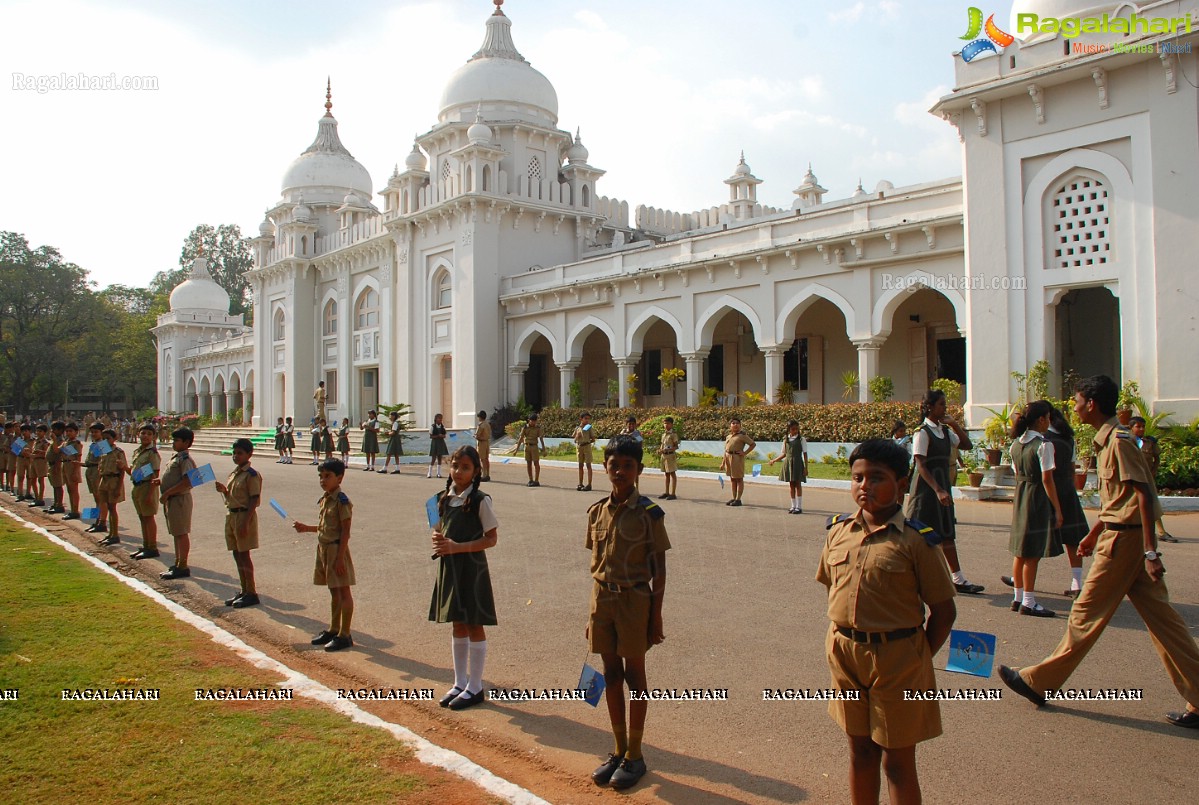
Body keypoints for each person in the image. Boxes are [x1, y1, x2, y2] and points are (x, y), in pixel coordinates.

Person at [999, 375, 1199, 729]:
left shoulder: (1119, 441)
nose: (1073, 408)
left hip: (1126, 543)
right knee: (1165, 625)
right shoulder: (1108, 440)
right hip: (1121, 536)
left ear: (1091, 403)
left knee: (1084, 615)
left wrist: (1151, 553)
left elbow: (1143, 496)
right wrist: (1094, 533)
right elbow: (1118, 501)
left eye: (1076, 401)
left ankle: (1038, 681)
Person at [817, 438, 956, 805]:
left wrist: (916, 654)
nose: (865, 486)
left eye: (876, 478)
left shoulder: (916, 542)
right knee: (860, 751)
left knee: (897, 761)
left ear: (902, 483)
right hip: (846, 654)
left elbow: (943, 611)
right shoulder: (837, 532)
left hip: (898, 659)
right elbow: (833, 587)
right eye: (857, 478)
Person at [586, 436, 670, 790]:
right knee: (610, 674)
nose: (619, 471)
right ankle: (618, 748)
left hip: (636, 601)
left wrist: (656, 614)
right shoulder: (596, 511)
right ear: (605, 467)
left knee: (635, 677)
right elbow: (596, 561)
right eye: (614, 465)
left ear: (639, 470)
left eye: (627, 466)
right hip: (602, 599)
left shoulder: (650, 513)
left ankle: (636, 754)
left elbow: (659, 568)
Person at [429, 445, 498, 710]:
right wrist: (437, 538)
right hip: (450, 568)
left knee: (474, 624)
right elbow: (436, 528)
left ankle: (476, 686)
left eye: (465, 467)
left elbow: (491, 539)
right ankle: (460, 682)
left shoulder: (480, 500)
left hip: (472, 567)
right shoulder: (440, 499)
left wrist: (458, 547)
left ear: (476, 471)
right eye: (455, 466)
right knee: (457, 623)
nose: (458, 472)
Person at [905, 389, 984, 594]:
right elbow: (920, 464)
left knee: (947, 533)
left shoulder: (945, 431)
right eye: (941, 404)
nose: (945, 407)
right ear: (929, 407)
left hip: (942, 484)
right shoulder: (922, 432)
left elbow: (966, 445)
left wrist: (954, 424)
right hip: (926, 488)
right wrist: (938, 490)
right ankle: (909, 576)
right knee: (920, 535)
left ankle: (958, 578)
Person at [1007, 401, 1064, 618]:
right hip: (1036, 497)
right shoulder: (1044, 444)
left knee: (1020, 551)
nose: (1049, 421)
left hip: (1021, 495)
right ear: (1041, 420)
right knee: (1032, 553)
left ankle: (1017, 597)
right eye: (1048, 417)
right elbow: (1047, 479)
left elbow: (1016, 473)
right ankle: (1029, 601)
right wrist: (1057, 509)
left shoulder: (1016, 445)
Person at [293, 458, 356, 652]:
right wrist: (307, 528)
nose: (323, 480)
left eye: (327, 476)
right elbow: (325, 527)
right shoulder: (326, 498)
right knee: (333, 591)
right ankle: (334, 629)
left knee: (343, 591)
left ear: (340, 477)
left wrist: (339, 558)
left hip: (337, 550)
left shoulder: (341, 501)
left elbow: (345, 531)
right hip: (325, 549)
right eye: (320, 476)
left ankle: (345, 634)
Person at [214, 438, 262, 608]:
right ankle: (244, 589)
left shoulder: (251, 475)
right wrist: (224, 491)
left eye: (240, 453)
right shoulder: (235, 473)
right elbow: (234, 498)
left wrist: (245, 523)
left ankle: (251, 592)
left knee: (244, 555)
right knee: (236, 553)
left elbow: (254, 500)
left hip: (244, 517)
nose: (236, 456)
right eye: (234, 453)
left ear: (249, 454)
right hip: (232, 515)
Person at [156, 427, 196, 580]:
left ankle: (183, 565)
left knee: (181, 532)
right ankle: (178, 562)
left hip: (179, 499)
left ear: (186, 442)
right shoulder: (177, 457)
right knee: (176, 532)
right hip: (173, 499)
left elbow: (188, 481)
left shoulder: (185, 460)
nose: (174, 443)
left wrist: (167, 492)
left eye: (177, 440)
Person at [1130, 416, 1177, 543]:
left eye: (1143, 426)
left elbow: (1157, 458)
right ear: (1131, 428)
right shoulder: (1126, 441)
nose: (1141, 429)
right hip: (1131, 479)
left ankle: (1161, 531)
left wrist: (1153, 471)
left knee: (1151, 503)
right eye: (1138, 426)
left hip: (1146, 478)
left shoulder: (1150, 442)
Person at [128, 424, 162, 560]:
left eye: (149, 433)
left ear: (154, 437)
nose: (145, 436)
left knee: (148, 518)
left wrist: (150, 494)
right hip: (137, 485)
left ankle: (152, 547)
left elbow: (155, 474)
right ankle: (146, 544)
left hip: (148, 486)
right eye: (143, 433)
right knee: (142, 517)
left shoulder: (152, 453)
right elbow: (134, 472)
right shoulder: (138, 451)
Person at [94, 428, 129, 547]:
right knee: (106, 505)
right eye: (103, 438)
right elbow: (101, 467)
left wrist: (119, 488)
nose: (105, 441)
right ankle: (110, 533)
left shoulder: (118, 452)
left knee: (112, 508)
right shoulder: (104, 451)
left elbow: (122, 470)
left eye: (108, 438)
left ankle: (115, 535)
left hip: (114, 481)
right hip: (104, 480)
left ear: (115, 439)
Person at [769, 419, 808, 514]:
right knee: (791, 485)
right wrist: (774, 460)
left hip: (798, 463)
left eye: (796, 429)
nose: (795, 431)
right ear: (789, 429)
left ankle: (799, 507)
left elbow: (805, 454)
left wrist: (806, 467)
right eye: (792, 429)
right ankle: (793, 506)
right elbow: (784, 454)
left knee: (798, 484)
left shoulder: (801, 439)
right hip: (789, 463)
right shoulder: (786, 440)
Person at [720, 418, 755, 506]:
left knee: (739, 479)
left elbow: (752, 444)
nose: (735, 425)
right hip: (728, 458)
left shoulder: (742, 436)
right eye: (733, 423)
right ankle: (734, 497)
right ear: (730, 425)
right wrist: (723, 463)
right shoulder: (728, 436)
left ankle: (738, 499)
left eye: (737, 423)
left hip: (737, 458)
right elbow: (726, 450)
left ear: (740, 425)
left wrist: (745, 453)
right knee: (732, 479)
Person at [83, 423, 107, 533]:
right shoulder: (94, 444)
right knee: (96, 498)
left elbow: (103, 460)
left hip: (97, 471)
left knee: (100, 498)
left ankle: (101, 521)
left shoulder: (102, 444)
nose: (93, 434)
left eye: (96, 432)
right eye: (92, 432)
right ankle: (96, 520)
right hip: (90, 470)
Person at [515, 413, 545, 487]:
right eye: (532, 421)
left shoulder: (538, 428)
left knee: (536, 463)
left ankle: (536, 480)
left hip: (534, 446)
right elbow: (520, 438)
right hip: (527, 446)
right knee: (528, 464)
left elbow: (541, 438)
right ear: (529, 420)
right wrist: (516, 450)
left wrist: (544, 449)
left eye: (535, 421)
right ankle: (530, 479)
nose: (533, 422)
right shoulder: (525, 428)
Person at [62, 421, 84, 520]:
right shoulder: (67, 442)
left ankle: (76, 511)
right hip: (66, 464)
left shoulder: (76, 443)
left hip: (73, 466)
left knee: (74, 490)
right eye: (67, 431)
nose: (68, 433)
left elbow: (78, 458)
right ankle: (73, 510)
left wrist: (75, 472)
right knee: (70, 490)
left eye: (70, 431)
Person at [44, 420, 66, 514]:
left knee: (61, 487)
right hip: (53, 464)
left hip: (60, 465)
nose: (52, 431)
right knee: (56, 486)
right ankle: (57, 504)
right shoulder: (59, 441)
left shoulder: (61, 441)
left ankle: (60, 505)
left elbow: (58, 453)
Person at [28, 423, 50, 508]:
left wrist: (38, 454)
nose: (38, 433)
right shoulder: (35, 441)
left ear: (44, 432)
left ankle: (40, 498)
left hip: (40, 462)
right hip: (33, 462)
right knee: (32, 480)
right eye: (37, 431)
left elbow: (47, 454)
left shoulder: (45, 442)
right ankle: (36, 497)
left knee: (40, 481)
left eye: (40, 431)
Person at [657, 416, 679, 500]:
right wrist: (660, 449)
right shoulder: (664, 434)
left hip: (670, 455)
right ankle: (666, 492)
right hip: (664, 456)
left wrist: (668, 449)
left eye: (668, 423)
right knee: (666, 474)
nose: (666, 425)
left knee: (672, 474)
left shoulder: (673, 434)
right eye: (665, 423)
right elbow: (662, 444)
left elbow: (676, 446)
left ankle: (673, 493)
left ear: (672, 425)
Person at [573, 412, 596, 492]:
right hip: (579, 447)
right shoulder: (577, 428)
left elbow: (593, 439)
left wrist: (588, 440)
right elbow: (574, 440)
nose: (587, 420)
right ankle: (580, 483)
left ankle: (589, 484)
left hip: (587, 446)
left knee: (588, 465)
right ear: (581, 419)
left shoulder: (589, 428)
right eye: (585, 418)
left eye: (588, 419)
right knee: (580, 465)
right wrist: (577, 436)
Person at [427, 413, 448, 478]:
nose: (440, 420)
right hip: (435, 443)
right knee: (433, 458)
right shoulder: (433, 426)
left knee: (439, 457)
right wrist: (437, 436)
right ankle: (429, 473)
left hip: (441, 443)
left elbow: (445, 435)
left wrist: (442, 436)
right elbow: (431, 436)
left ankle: (438, 473)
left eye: (441, 418)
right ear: (436, 419)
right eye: (439, 418)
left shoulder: (442, 427)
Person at [475, 411, 492, 482]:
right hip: (487, 442)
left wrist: (475, 436)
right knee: (486, 459)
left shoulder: (481, 425)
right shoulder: (487, 424)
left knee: (482, 459)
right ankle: (487, 474)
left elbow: (477, 435)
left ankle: (484, 475)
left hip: (481, 443)